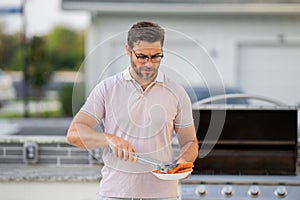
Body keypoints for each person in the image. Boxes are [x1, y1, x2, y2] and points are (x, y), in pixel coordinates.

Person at [67, 21, 198, 200]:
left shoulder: (177, 92)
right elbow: (74, 133)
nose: (149, 64)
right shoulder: (107, 88)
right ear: (128, 50)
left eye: (156, 56)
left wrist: (184, 162)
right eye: (142, 56)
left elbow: (189, 141)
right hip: (115, 194)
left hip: (163, 195)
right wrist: (109, 139)